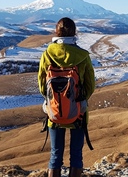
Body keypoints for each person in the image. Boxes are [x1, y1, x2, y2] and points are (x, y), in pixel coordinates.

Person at [38, 17, 95, 177]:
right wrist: (81, 101)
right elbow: (90, 85)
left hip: (54, 113)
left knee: (55, 155)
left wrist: (52, 100)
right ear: (74, 32)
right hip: (78, 112)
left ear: (56, 32)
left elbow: (42, 84)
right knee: (76, 155)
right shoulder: (83, 56)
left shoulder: (47, 54)